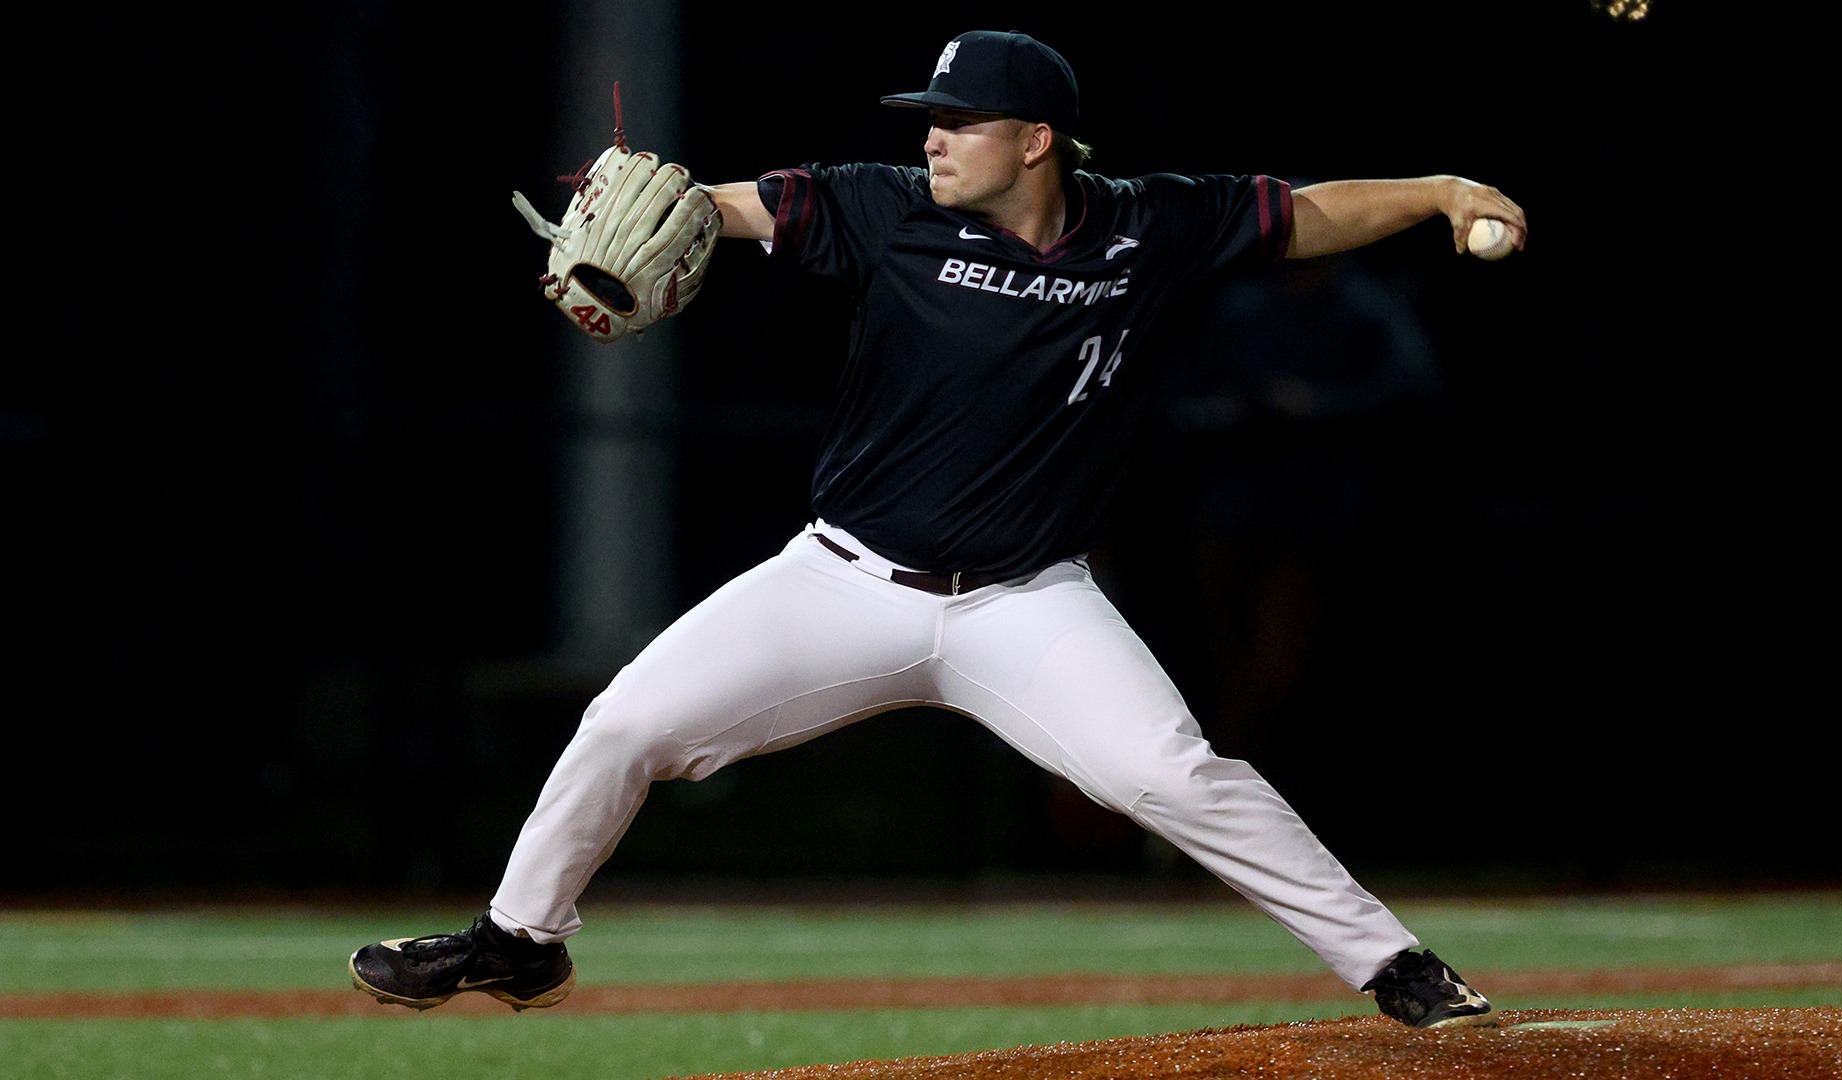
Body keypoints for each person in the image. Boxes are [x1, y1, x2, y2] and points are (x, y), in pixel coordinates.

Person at [349, 29, 1525, 1029]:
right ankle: (521, 941)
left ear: (1036, 140)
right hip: (841, 583)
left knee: (1174, 775)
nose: (932, 136)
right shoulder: (884, 208)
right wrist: (672, 215)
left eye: (960, 120)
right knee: (625, 722)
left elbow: (1303, 215)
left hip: (1028, 600)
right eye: (931, 116)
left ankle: (1395, 965)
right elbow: (728, 208)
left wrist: (1436, 193)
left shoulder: (1145, 227)